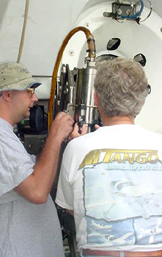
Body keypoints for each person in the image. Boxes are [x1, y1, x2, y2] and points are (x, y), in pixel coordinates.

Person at [0, 61, 78, 257]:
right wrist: (55, 136)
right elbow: (37, 190)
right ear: (7, 94)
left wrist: (58, 142)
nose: (34, 99)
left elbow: (35, 171)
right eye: (28, 91)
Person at [55, 57, 162, 257]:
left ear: (96, 99)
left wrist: (85, 146)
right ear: (142, 100)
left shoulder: (77, 148)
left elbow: (75, 210)